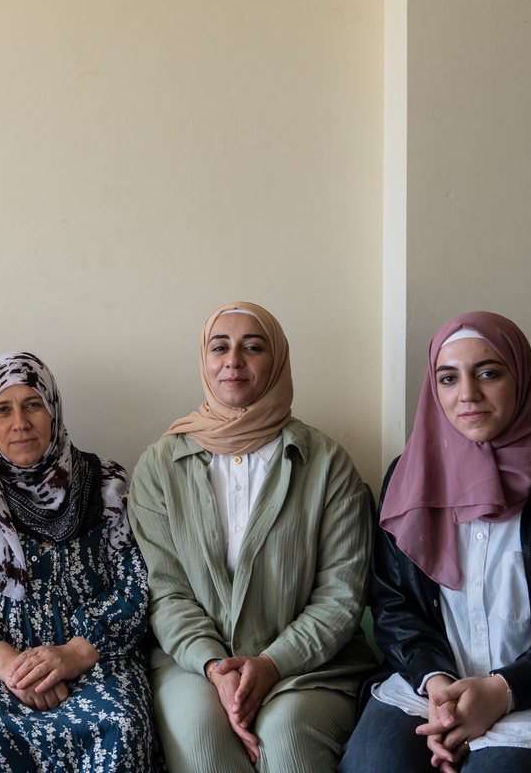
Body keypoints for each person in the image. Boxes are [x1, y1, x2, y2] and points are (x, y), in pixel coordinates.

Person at [341, 311, 531, 773]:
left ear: (520, 377)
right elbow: (394, 603)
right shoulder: (409, 478)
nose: (468, 394)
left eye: (488, 372)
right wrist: (440, 688)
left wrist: (503, 691)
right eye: (448, 378)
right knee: (376, 763)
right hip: (428, 686)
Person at [129, 302, 375, 773]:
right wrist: (216, 670)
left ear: (277, 360)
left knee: (289, 743)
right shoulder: (160, 465)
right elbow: (164, 591)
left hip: (310, 667)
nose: (233, 360)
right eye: (219, 347)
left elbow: (341, 596)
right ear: (204, 360)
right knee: (202, 742)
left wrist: (272, 665)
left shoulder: (327, 464)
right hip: (193, 664)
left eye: (253, 347)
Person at [0, 352, 165, 773]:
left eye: (32, 404)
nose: (20, 422)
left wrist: (72, 654)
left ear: (52, 408)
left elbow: (136, 587)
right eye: (3, 409)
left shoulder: (106, 483)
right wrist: (12, 667)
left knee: (121, 727)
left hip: (94, 658)